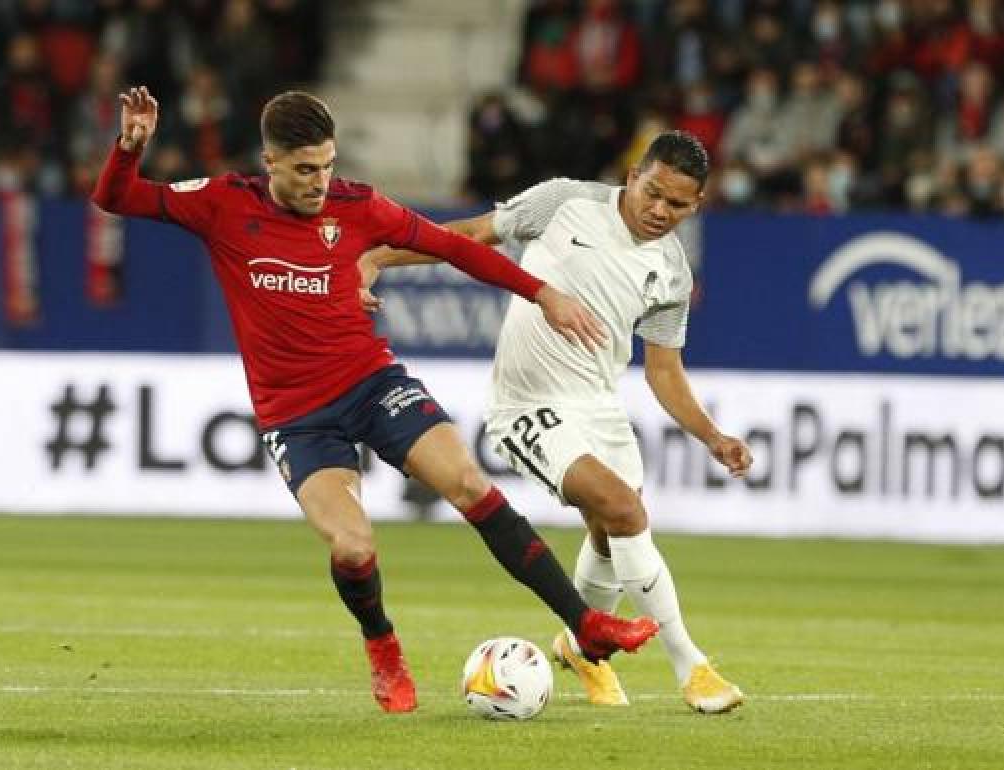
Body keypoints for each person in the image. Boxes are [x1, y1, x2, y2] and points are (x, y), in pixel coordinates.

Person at [90, 86, 659, 714]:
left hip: (372, 383)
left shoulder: (358, 207)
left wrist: (541, 293)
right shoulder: (224, 203)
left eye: (327, 166)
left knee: (469, 484)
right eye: (305, 170)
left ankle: (584, 624)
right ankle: (382, 643)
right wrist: (127, 150)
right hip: (298, 417)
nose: (319, 182)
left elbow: (456, 248)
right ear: (271, 162)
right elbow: (116, 198)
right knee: (354, 548)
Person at [360, 131, 752, 714]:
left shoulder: (673, 272)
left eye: (677, 205)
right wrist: (375, 258)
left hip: (600, 404)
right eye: (654, 193)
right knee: (624, 509)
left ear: (697, 205)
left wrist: (712, 435)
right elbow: (468, 236)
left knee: (608, 532)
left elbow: (663, 371)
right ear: (635, 173)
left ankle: (580, 651)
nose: (659, 212)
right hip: (527, 403)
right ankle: (691, 667)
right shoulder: (565, 201)